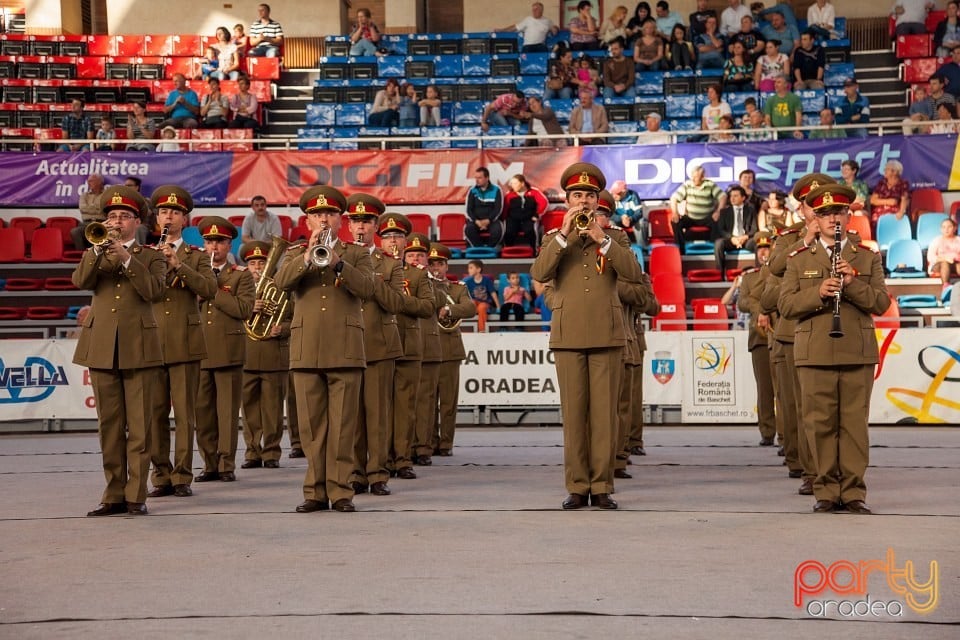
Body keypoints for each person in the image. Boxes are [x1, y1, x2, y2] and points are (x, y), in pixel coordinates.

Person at [530, 162, 643, 510]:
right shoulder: (554, 238)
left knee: (605, 416)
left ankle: (602, 485)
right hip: (568, 335)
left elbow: (634, 274)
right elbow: (540, 272)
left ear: (598, 201)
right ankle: (577, 486)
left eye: (589, 196)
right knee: (575, 415)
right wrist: (564, 235)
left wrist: (602, 239)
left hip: (608, 334)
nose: (583, 201)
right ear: (567, 200)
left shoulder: (617, 238)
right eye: (577, 195)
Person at [779, 183, 890, 514]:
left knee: (854, 424)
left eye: (839, 212)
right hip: (814, 352)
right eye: (825, 213)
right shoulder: (799, 258)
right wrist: (819, 293)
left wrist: (853, 282)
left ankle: (854, 491)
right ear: (816, 217)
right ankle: (825, 491)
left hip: (856, 349)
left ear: (848, 216)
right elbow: (785, 305)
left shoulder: (866, 256)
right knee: (820, 423)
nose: (832, 219)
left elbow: (882, 303)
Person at [274, 186, 374, 513]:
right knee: (312, 428)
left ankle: (341, 491)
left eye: (330, 214)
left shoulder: (356, 253)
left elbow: (368, 289)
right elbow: (280, 283)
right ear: (307, 220)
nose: (323, 219)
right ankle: (315, 492)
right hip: (306, 350)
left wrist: (338, 263)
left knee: (343, 427)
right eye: (317, 215)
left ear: (340, 219)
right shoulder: (294, 253)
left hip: (345, 348)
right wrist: (307, 257)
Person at [74, 186, 164, 517]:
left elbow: (153, 291)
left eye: (124, 217)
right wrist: (98, 250)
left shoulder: (150, 255)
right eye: (111, 216)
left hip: (138, 348)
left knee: (139, 427)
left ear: (137, 222)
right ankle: (113, 493)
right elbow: (81, 280)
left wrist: (126, 257)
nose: (116, 222)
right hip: (101, 348)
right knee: (109, 427)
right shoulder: (95, 250)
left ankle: (135, 495)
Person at [762, 172, 837, 495]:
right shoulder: (791, 237)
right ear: (803, 209)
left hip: (833, 333)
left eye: (820, 206)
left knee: (830, 409)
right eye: (810, 206)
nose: (815, 212)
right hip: (795, 333)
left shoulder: (842, 238)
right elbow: (775, 267)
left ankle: (833, 470)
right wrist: (805, 239)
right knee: (801, 409)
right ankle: (810, 470)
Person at [146, 185, 218, 500]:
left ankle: (182, 475)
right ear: (156, 218)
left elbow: (209, 288)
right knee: (154, 414)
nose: (169, 216)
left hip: (186, 341)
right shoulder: (145, 253)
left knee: (185, 415)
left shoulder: (197, 256)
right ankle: (160, 474)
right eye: (164, 212)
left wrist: (177, 264)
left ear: (185, 219)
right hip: (152, 340)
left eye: (175, 212)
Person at [344, 194, 403, 496]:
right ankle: (355, 472)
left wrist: (369, 279)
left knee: (378, 413)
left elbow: (397, 302)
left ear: (375, 225)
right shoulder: (336, 255)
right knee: (352, 416)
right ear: (348, 224)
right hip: (348, 344)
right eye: (355, 221)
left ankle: (378, 473)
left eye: (366, 221)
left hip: (379, 345)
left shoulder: (389, 264)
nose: (360, 227)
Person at [195, 216, 255, 484]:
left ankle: (226, 464)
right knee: (203, 413)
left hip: (229, 350)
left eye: (219, 241)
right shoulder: (193, 274)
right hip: (198, 350)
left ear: (229, 244)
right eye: (209, 241)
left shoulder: (240, 276)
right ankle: (209, 464)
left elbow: (243, 309)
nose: (214, 247)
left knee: (227, 413)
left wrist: (212, 291)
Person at [376, 215, 435, 482]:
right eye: (388, 237)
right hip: (380, 344)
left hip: (409, 345)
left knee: (405, 407)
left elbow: (427, 307)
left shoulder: (418, 274)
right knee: (378, 407)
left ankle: (402, 459)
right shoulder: (372, 267)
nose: (393, 242)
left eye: (398, 237)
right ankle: (380, 459)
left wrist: (398, 301)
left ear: (405, 241)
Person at [240, 240, 291, 471]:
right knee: (249, 408)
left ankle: (271, 452)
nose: (259, 267)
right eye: (253, 263)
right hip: (246, 354)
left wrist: (283, 329)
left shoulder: (281, 286)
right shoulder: (239, 287)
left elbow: (296, 316)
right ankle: (252, 451)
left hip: (273, 354)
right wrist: (248, 308)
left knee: (272, 410)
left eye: (262, 262)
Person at [428, 244, 475, 455]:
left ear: (447, 266)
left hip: (449, 350)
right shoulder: (422, 286)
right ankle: (427, 443)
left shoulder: (457, 288)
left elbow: (470, 308)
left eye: (440, 263)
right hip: (427, 349)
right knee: (427, 402)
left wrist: (448, 309)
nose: (436, 267)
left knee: (448, 401)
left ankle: (445, 443)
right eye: (432, 263)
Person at [736, 231, 775, 446]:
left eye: (767, 248)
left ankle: (788, 435)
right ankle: (767, 432)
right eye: (760, 249)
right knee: (765, 388)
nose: (764, 252)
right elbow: (743, 302)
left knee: (784, 389)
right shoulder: (750, 276)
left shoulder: (779, 274)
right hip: (759, 337)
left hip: (778, 334)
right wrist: (760, 308)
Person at [411, 239, 442, 466]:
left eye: (420, 256)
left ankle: (423, 446)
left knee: (425, 401)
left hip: (427, 346)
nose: (415, 260)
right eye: (411, 256)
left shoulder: (435, 281)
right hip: (404, 345)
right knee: (403, 401)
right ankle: (404, 446)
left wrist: (427, 278)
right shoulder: (396, 275)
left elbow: (438, 303)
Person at [669, 163, 726, 251]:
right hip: (690, 218)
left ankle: (714, 247)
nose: (693, 178)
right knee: (675, 221)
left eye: (696, 177)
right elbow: (674, 198)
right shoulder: (687, 185)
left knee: (719, 219)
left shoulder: (710, 185)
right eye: (693, 176)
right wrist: (675, 213)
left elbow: (723, 197)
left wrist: (718, 211)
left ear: (703, 177)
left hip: (707, 217)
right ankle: (680, 248)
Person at [713, 185, 758, 272]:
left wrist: (744, 237)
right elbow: (721, 230)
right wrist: (732, 238)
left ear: (743, 198)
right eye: (731, 196)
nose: (732, 198)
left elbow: (754, 229)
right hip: (731, 240)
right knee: (718, 243)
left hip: (746, 240)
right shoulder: (724, 212)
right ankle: (720, 273)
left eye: (736, 196)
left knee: (758, 243)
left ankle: (758, 271)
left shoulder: (750, 210)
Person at [502, 173, 548, 249]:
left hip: (529, 219)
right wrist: (503, 219)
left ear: (522, 183)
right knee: (509, 231)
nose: (512, 185)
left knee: (531, 230)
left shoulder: (534, 192)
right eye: (512, 183)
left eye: (515, 183)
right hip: (513, 219)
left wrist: (537, 215)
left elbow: (544, 203)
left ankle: (535, 250)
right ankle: (507, 250)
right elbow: (505, 208)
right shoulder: (509, 195)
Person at [465, 167, 504, 248]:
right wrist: (477, 221)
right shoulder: (472, 190)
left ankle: (490, 249)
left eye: (479, 178)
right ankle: (479, 248)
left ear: (487, 178)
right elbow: (469, 210)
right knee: (468, 229)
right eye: (476, 178)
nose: (477, 180)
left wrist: (488, 220)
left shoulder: (497, 189)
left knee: (498, 230)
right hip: (476, 221)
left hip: (492, 220)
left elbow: (498, 209)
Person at [868, 160, 910, 227]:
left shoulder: (903, 183)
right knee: (875, 219)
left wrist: (901, 212)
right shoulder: (882, 183)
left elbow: (904, 199)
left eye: (887, 169)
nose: (884, 171)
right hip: (880, 210)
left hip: (895, 210)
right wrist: (889, 201)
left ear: (895, 172)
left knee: (895, 220)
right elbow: (872, 200)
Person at [70, 174, 106, 251]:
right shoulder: (84, 195)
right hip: (86, 223)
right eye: (88, 181)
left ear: (100, 182)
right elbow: (82, 209)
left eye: (91, 181)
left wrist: (89, 208)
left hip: (101, 223)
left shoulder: (106, 195)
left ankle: (100, 256)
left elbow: (103, 209)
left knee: (101, 232)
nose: (89, 183)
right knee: (75, 232)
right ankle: (82, 255)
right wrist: (96, 207)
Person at [463, 259, 499, 332]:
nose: (468, 270)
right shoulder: (468, 282)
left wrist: (498, 306)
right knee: (472, 302)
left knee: (482, 307)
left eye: (471, 268)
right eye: (468, 268)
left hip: (485, 303)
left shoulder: (487, 280)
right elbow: (466, 295)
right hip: (475, 302)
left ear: (478, 269)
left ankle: (482, 330)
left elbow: (493, 293)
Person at [763, 75, 803, 139]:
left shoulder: (794, 98)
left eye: (779, 82)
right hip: (775, 132)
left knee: (799, 137)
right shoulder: (770, 100)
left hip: (791, 131)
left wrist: (797, 130)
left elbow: (798, 116)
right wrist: (770, 131)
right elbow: (767, 118)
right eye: (775, 82)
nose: (776, 84)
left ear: (786, 84)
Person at [927, 217, 960, 287]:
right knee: (945, 263)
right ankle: (945, 287)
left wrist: (955, 259)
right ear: (941, 229)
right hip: (938, 265)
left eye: (949, 227)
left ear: (955, 228)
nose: (946, 229)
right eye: (944, 227)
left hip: (954, 263)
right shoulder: (936, 240)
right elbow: (930, 257)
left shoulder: (958, 240)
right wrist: (945, 259)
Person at [610, 179, 644, 244]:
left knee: (641, 222)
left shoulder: (633, 195)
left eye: (617, 194)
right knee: (611, 223)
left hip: (632, 220)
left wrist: (630, 219)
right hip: (618, 221)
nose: (614, 196)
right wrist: (621, 218)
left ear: (624, 192)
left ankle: (642, 247)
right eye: (613, 193)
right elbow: (610, 214)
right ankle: (615, 247)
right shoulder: (611, 197)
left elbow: (639, 212)